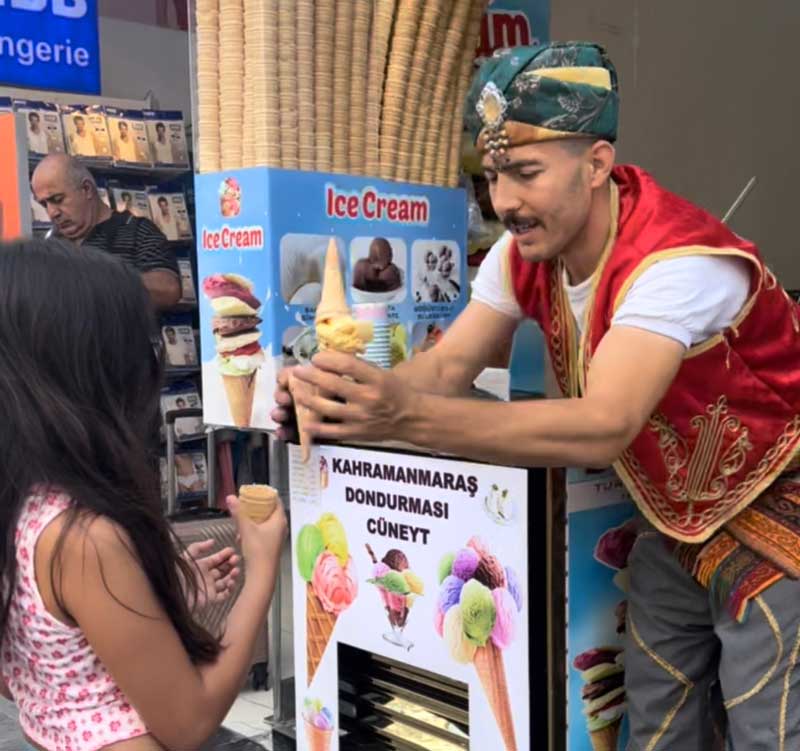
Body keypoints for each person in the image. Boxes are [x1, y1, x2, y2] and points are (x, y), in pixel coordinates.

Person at [275, 42, 800, 749]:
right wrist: (343, 397)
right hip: (670, 518)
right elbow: (446, 367)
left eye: (526, 172)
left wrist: (402, 412)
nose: (505, 203)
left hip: (775, 514)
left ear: (597, 164)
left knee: (769, 732)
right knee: (651, 724)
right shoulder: (523, 255)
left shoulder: (677, 263)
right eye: (493, 176)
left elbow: (602, 425)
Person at [0, 238, 287, 751]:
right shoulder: (85, 538)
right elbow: (189, 722)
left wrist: (155, 604)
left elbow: (48, 661)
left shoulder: (24, 503)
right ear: (97, 369)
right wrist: (263, 568)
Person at [31, 154, 181, 309]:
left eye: (57, 199)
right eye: (44, 204)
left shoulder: (137, 231)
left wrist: (97, 279)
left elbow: (169, 290)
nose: (52, 212)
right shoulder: (50, 244)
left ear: (86, 189)